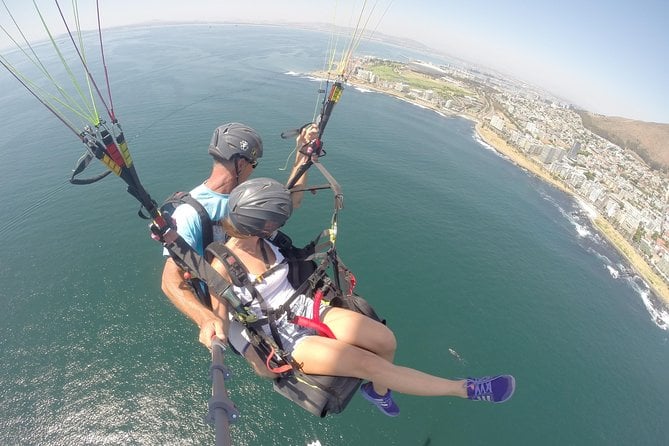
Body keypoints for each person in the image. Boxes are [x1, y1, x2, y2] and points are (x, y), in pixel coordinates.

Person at [207, 177, 516, 417]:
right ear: (260, 223)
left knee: (385, 340)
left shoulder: (264, 237)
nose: (279, 225)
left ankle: (379, 394)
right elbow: (221, 320)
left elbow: (292, 198)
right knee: (372, 365)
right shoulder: (223, 263)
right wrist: (241, 350)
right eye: (275, 222)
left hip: (305, 308)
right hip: (285, 338)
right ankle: (466, 389)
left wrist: (304, 154)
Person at [160, 122, 318, 377]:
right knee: (270, 369)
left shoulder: (246, 195)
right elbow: (169, 280)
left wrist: (302, 154)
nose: (254, 170)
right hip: (227, 301)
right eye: (254, 164)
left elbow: (290, 201)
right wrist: (204, 318)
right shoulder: (190, 212)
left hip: (262, 282)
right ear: (241, 163)